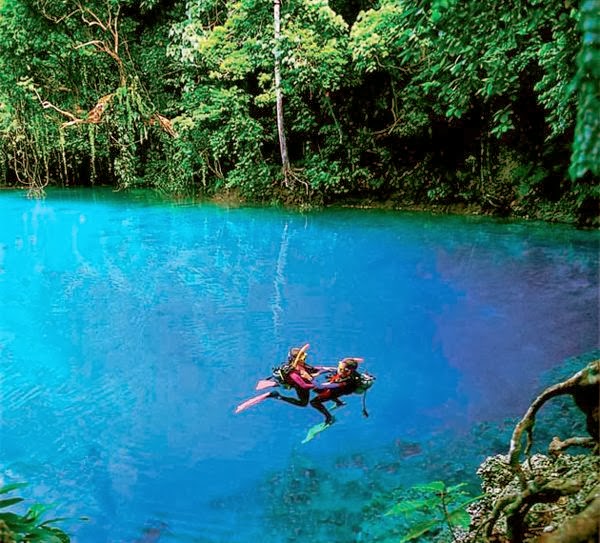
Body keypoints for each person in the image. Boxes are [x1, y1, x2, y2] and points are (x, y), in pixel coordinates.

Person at [269, 345, 334, 407]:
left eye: (304, 358)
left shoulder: (301, 364)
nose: (304, 360)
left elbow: (313, 369)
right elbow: (304, 386)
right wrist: (318, 385)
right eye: (302, 359)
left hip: (309, 381)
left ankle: (337, 402)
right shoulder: (293, 373)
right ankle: (279, 396)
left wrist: (328, 369)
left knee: (324, 391)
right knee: (303, 403)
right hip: (301, 388)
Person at [309, 357, 366, 425]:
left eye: (340, 369)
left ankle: (330, 418)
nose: (338, 369)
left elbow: (321, 386)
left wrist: (310, 378)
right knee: (317, 390)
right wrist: (317, 373)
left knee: (314, 402)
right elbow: (330, 369)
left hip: (339, 390)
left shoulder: (345, 381)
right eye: (339, 366)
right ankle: (339, 403)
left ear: (347, 371)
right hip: (337, 388)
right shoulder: (344, 370)